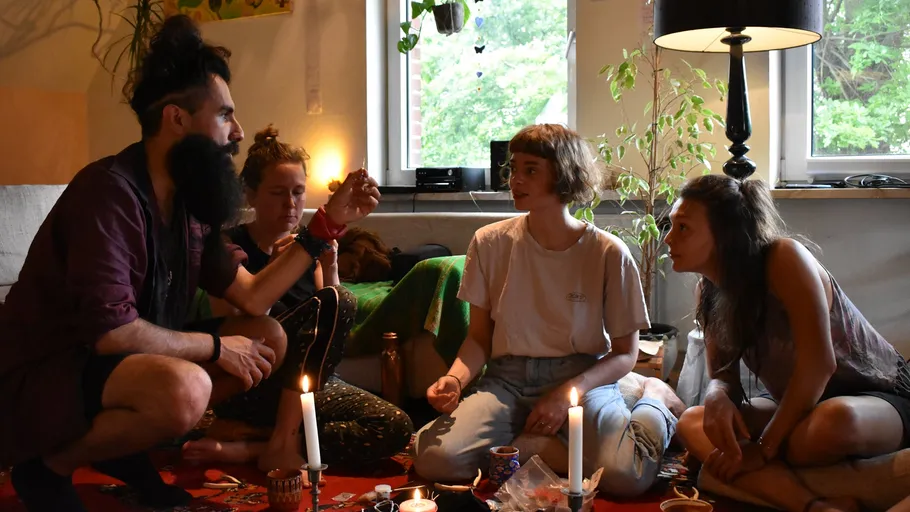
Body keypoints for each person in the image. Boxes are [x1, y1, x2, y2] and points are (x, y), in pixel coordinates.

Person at [0, 16, 380, 512]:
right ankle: (47, 468)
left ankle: (126, 450)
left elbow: (253, 296)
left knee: (269, 335)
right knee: (186, 388)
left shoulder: (186, 202)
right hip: (44, 375)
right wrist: (217, 346)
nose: (238, 131)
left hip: (113, 367)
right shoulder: (109, 193)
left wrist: (327, 224)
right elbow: (111, 333)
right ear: (177, 119)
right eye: (225, 115)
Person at [412, 123, 685, 497]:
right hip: (507, 379)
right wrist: (456, 379)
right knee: (434, 459)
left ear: (563, 176)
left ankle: (652, 398)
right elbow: (478, 339)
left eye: (531, 170)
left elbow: (625, 353)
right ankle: (545, 447)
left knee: (626, 477)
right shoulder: (489, 242)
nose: (515, 180)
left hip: (580, 378)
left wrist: (563, 395)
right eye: (514, 168)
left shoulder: (608, 253)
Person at [668, 175, 910, 512]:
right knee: (693, 422)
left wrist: (764, 448)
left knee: (829, 426)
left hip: (876, 398)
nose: (667, 239)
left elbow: (819, 365)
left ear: (724, 235)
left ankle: (751, 480)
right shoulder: (708, 290)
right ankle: (817, 506)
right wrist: (717, 396)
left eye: (683, 228)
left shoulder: (783, 258)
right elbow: (724, 376)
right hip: (797, 407)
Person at [181, 126, 413, 475]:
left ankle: (253, 444)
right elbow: (236, 329)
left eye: (298, 192)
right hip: (254, 381)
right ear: (250, 194)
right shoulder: (228, 248)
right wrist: (277, 267)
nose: (291, 204)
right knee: (339, 300)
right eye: (278, 193)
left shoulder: (307, 246)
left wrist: (330, 263)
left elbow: (333, 330)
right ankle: (278, 439)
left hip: (308, 384)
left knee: (394, 426)